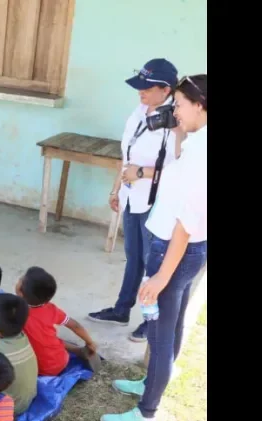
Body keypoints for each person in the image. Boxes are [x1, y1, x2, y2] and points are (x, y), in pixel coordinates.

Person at [101, 75, 207, 421]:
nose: (174, 110)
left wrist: (161, 276)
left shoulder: (202, 152)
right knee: (172, 323)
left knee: (161, 330)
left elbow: (185, 222)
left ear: (200, 104)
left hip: (175, 249)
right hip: (183, 248)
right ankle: (154, 381)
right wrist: (178, 135)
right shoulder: (196, 142)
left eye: (179, 104)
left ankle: (147, 413)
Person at [88, 59, 181, 342]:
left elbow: (178, 170)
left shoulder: (176, 121)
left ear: (165, 90)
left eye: (146, 88)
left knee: (152, 265)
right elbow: (126, 152)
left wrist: (140, 173)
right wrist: (117, 189)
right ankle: (121, 309)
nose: (140, 92)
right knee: (133, 258)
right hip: (132, 197)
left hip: (155, 202)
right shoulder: (140, 110)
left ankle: (151, 322)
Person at [17, 266, 101, 374]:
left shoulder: (16, 311)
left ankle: (78, 351)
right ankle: (79, 351)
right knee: (49, 338)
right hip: (61, 361)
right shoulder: (51, 309)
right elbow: (74, 325)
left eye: (20, 280)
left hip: (38, 369)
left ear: (20, 292)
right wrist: (90, 342)